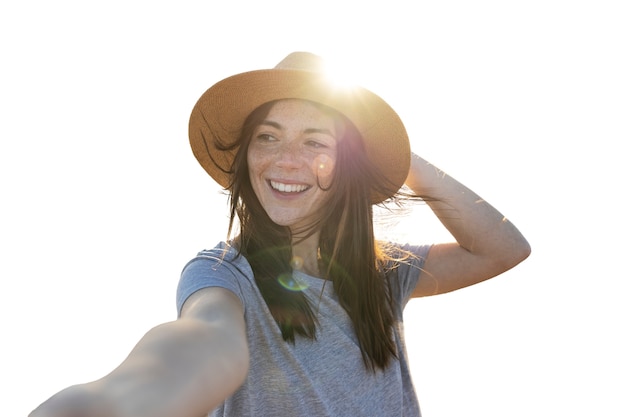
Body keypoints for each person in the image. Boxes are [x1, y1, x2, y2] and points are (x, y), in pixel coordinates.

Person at [29, 52, 531, 417]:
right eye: (268, 136)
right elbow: (202, 344)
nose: (285, 161)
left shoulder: (383, 275)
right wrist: (107, 406)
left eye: (316, 142)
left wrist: (396, 157)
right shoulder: (222, 272)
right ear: (246, 156)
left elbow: (504, 248)